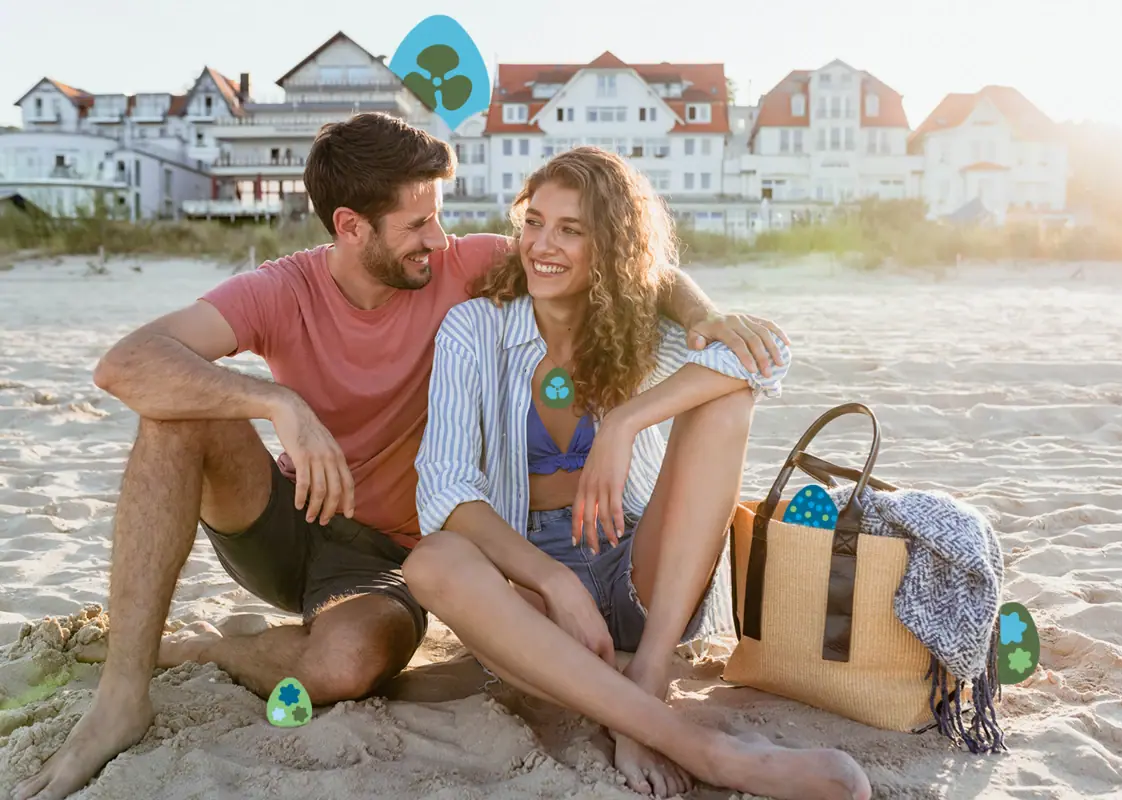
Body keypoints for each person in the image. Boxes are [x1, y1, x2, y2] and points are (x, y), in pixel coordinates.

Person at [12, 115, 791, 800]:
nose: (440, 239)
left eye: (440, 216)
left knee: (341, 670)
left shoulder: (468, 266)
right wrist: (275, 403)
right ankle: (122, 693)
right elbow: (126, 363)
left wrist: (706, 317)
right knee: (172, 415)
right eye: (418, 223)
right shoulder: (281, 291)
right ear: (352, 227)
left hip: (395, 549)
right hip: (294, 517)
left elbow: (634, 267)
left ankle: (217, 649)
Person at [405, 147, 872, 800]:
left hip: (639, 572)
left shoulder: (641, 325)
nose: (543, 245)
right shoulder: (473, 329)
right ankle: (694, 744)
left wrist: (624, 423)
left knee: (725, 396)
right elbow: (446, 491)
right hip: (533, 595)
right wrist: (552, 581)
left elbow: (763, 363)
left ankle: (647, 675)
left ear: (611, 246)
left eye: (572, 230)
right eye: (534, 221)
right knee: (433, 562)